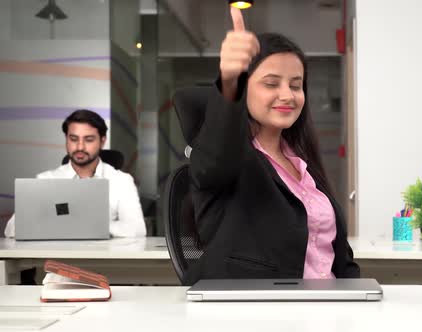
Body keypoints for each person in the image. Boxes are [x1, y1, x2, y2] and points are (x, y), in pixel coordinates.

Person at [182, 7, 359, 283]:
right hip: (266, 311)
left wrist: (358, 296)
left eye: (296, 85)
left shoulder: (303, 162)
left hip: (330, 307)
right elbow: (216, 159)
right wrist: (230, 80)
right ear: (244, 88)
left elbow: (339, 258)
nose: (287, 95)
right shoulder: (229, 157)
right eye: (271, 83)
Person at [4, 109, 146, 238]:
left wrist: (92, 227)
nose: (80, 147)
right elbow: (11, 230)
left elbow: (138, 229)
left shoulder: (121, 181)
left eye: (88, 139)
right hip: (56, 259)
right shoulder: (45, 180)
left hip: (104, 260)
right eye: (73, 139)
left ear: (102, 141)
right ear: (66, 139)